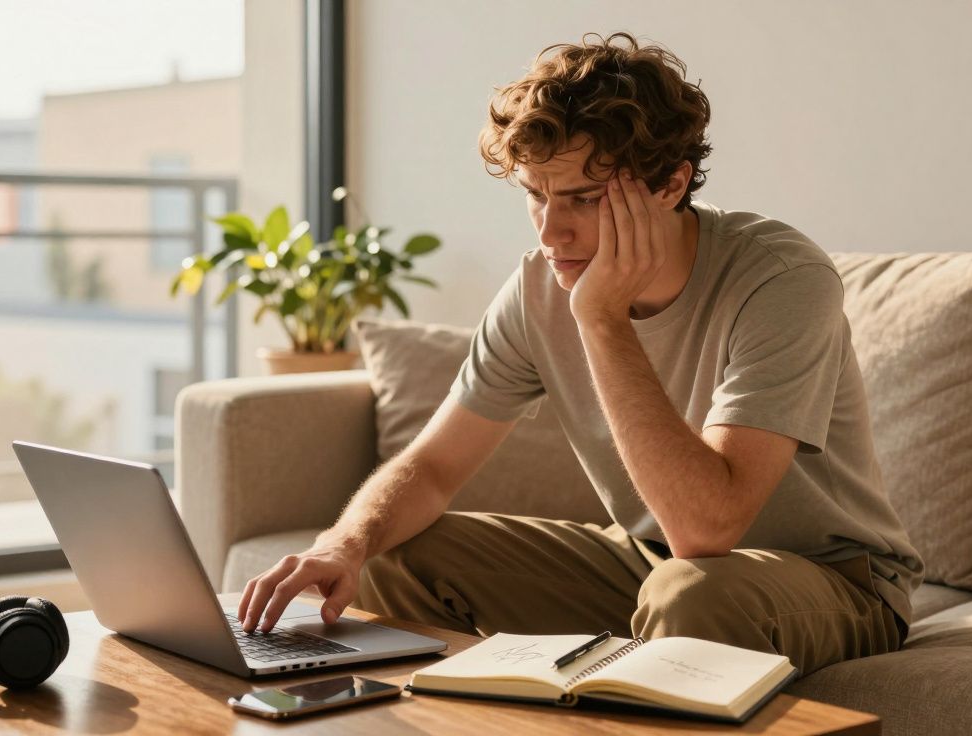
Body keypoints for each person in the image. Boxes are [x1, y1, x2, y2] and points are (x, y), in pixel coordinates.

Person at [236, 31, 922, 676]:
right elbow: (434, 467)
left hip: (833, 581)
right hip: (654, 563)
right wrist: (343, 544)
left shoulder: (781, 279)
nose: (550, 232)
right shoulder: (537, 287)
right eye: (535, 196)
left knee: (692, 594)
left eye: (584, 199)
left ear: (670, 185)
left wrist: (601, 319)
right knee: (396, 554)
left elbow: (707, 528)